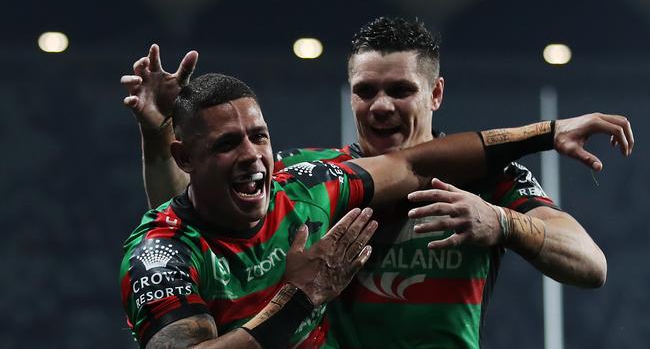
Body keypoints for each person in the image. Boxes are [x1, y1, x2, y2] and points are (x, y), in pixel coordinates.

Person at [119, 20, 634, 348]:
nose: (380, 105)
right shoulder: (315, 176)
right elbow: (188, 210)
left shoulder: (486, 178)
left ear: (435, 94)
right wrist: (160, 131)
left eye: (399, 90)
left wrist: (503, 223)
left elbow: (592, 265)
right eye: (366, 90)